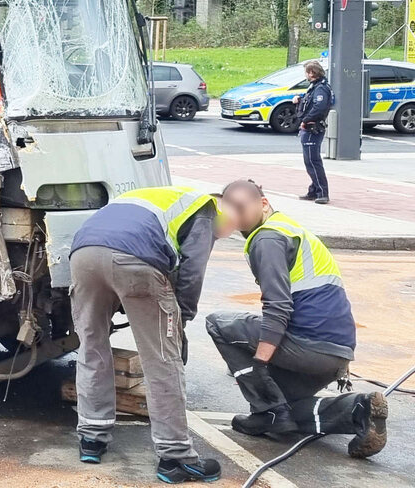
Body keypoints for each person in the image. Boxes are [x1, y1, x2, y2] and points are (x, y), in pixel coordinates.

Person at [206, 180, 387, 458]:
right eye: (230, 211)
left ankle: (267, 410)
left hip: (310, 347)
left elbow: (278, 307)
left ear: (263, 204)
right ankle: (358, 409)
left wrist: (259, 363)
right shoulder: (288, 228)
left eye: (241, 209)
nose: (236, 218)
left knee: (219, 323)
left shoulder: (267, 239)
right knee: (286, 411)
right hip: (336, 354)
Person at [70, 186, 231, 484]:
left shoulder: (152, 197)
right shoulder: (207, 208)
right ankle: (176, 457)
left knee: (92, 348)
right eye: (228, 230)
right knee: (162, 360)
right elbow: (193, 269)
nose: (224, 234)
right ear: (224, 207)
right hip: (134, 260)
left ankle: (92, 438)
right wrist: (180, 318)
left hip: (83, 255)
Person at [293, 60, 333, 204]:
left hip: (312, 128)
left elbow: (319, 107)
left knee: (313, 161)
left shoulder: (320, 89)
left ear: (312, 73)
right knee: (310, 161)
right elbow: (311, 103)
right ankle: (314, 190)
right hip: (309, 128)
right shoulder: (315, 87)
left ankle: (322, 193)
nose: (306, 75)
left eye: (306, 72)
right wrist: (300, 100)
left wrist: (305, 120)